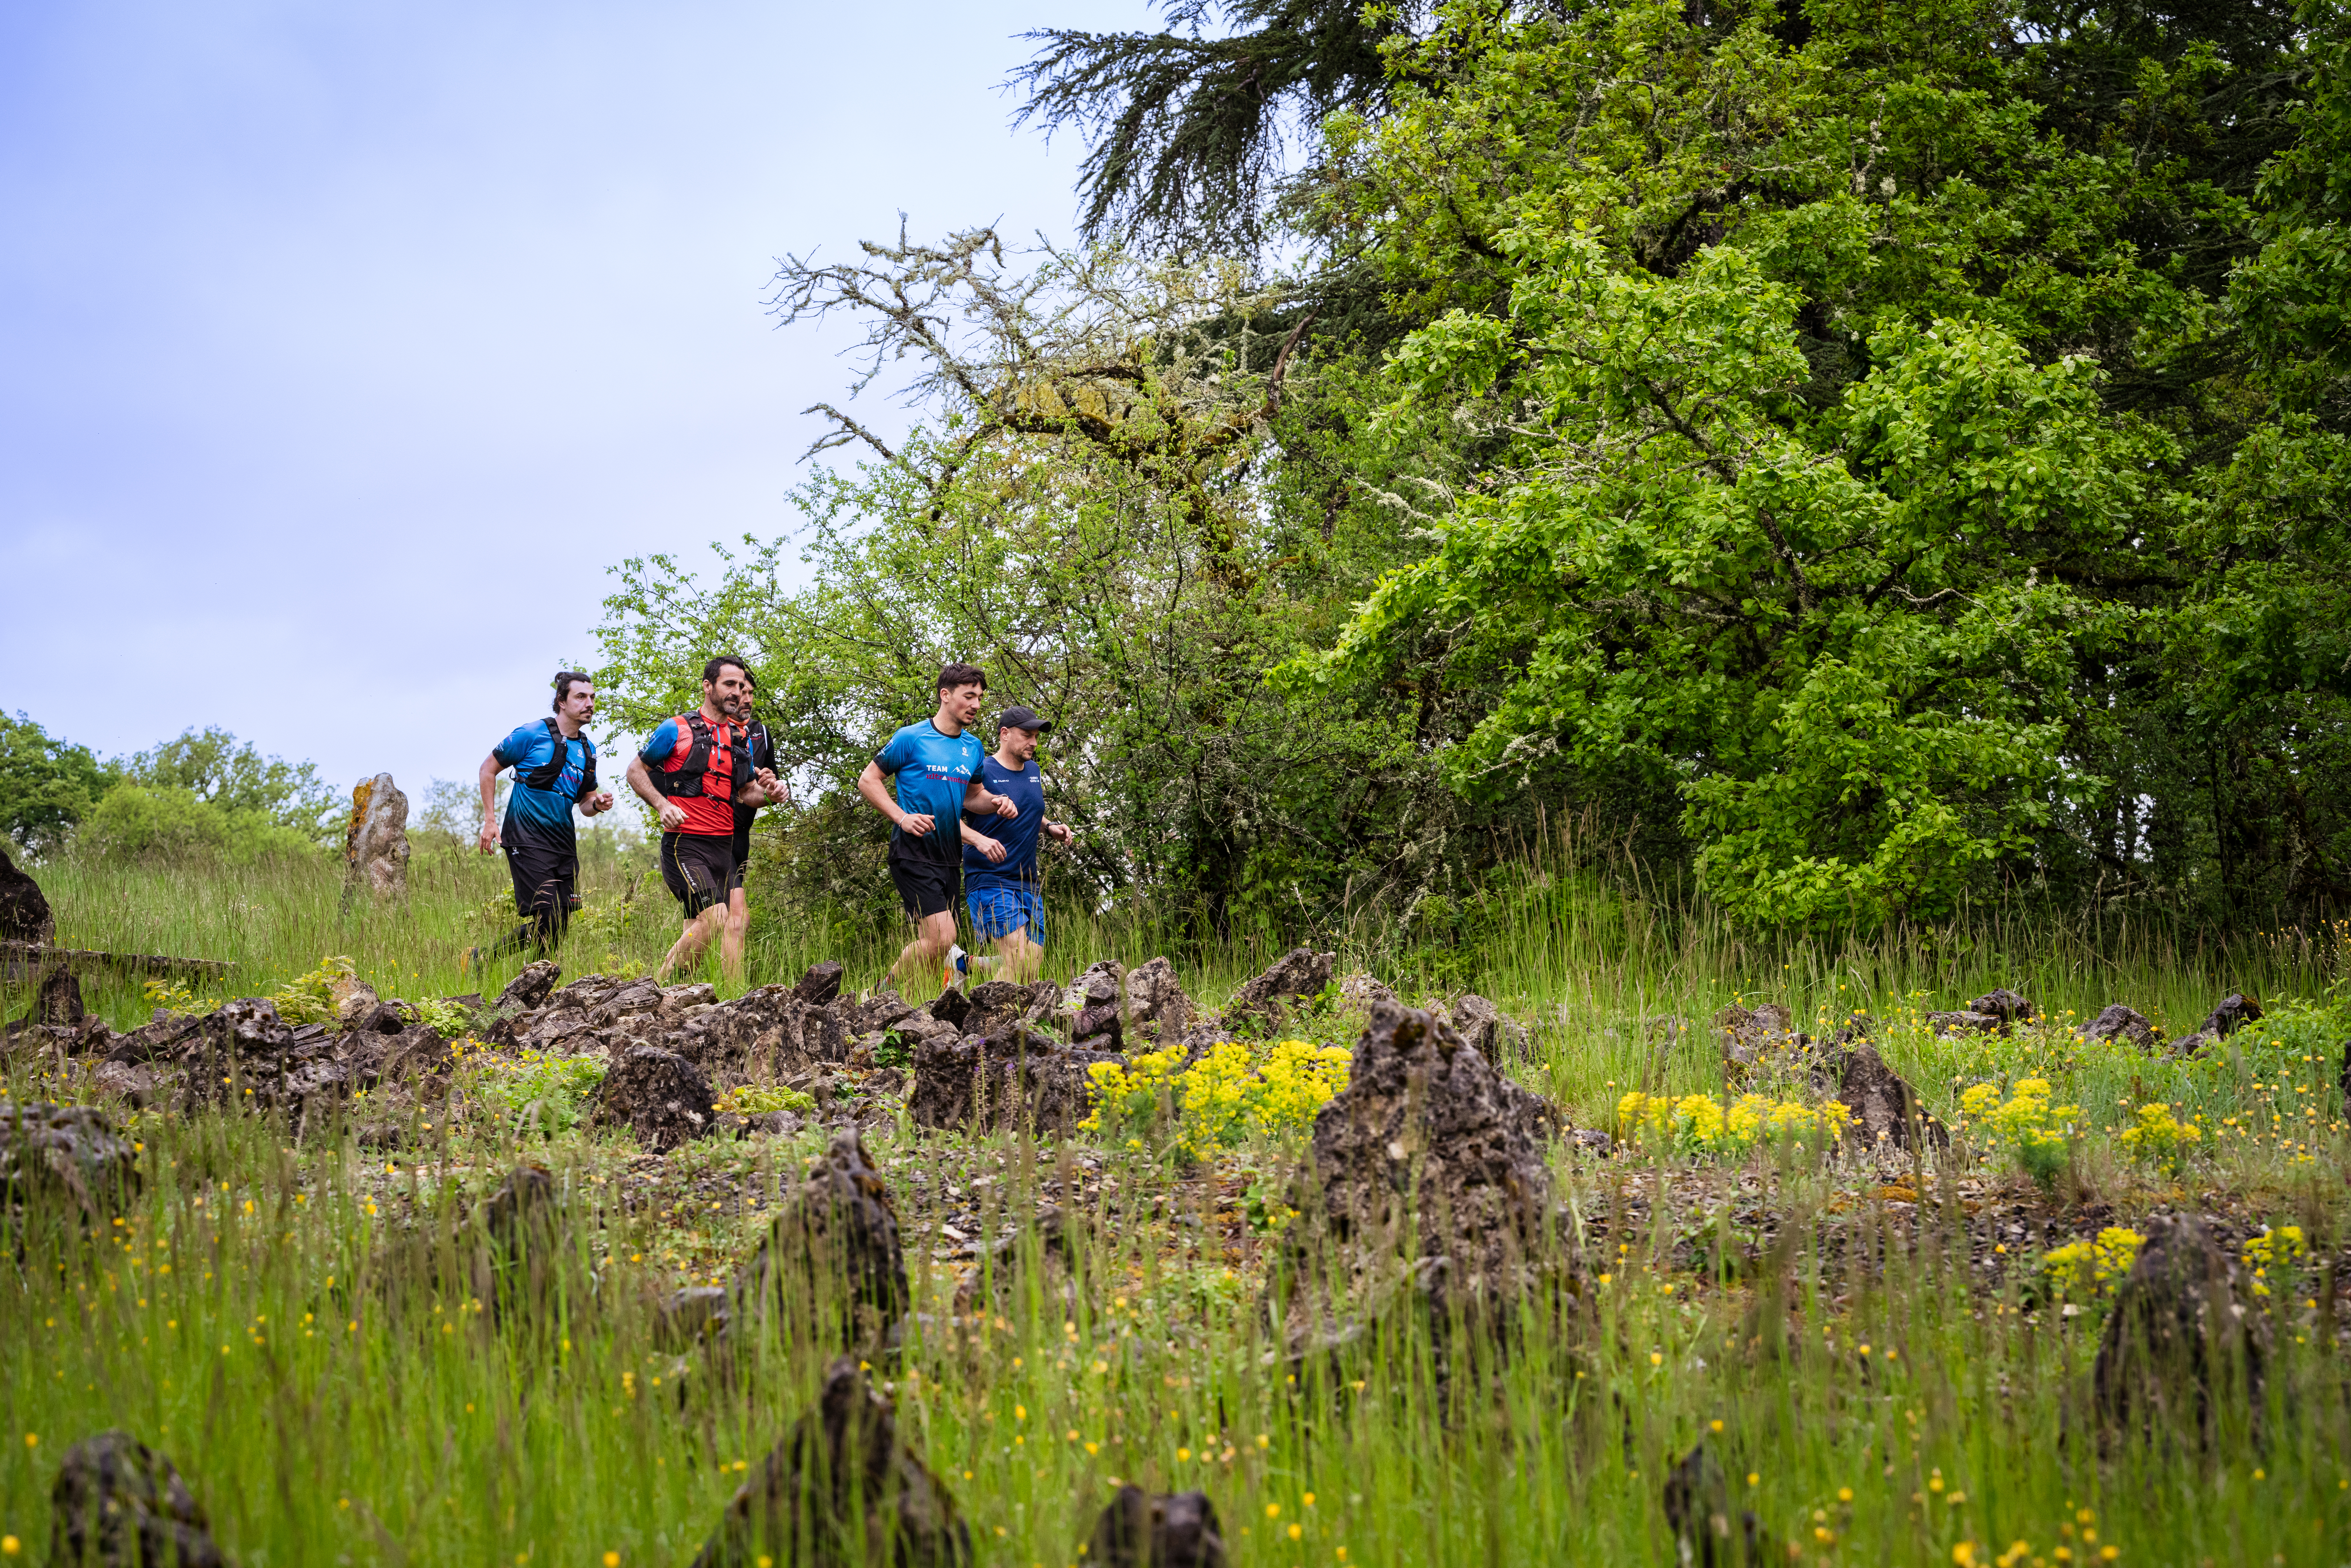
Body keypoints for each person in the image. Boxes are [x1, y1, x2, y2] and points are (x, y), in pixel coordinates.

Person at [856, 662, 1016, 992]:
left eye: (980, 698)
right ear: (945, 695)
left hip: (950, 856)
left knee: (935, 945)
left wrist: (997, 802)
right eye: (969, 696)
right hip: (912, 852)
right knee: (944, 936)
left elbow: (973, 797)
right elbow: (868, 780)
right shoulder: (911, 737)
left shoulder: (973, 747)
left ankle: (900, 1000)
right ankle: (877, 994)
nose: (976, 705)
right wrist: (902, 817)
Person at [624, 656, 783, 983]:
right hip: (686, 844)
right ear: (708, 686)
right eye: (729, 684)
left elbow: (747, 793)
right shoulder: (677, 728)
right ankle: (656, 988)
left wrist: (771, 794)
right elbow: (635, 770)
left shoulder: (739, 739)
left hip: (723, 848)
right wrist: (661, 805)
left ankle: (672, 990)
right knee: (716, 919)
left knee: (705, 926)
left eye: (741, 686)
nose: (737, 692)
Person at [468, 671, 617, 968]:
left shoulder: (587, 750)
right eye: (581, 697)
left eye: (592, 698)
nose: (589, 704)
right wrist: (490, 820)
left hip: (563, 843)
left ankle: (484, 960)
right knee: (548, 911)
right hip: (526, 837)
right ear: (561, 701)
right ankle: (530, 982)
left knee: (559, 922)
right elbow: (488, 769)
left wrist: (598, 805)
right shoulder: (531, 734)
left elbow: (585, 804)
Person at [959, 705, 1074, 983]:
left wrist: (1050, 827)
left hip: (1028, 883)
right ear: (1005, 734)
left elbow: (1028, 810)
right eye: (1027, 735)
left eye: (1036, 737)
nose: (1034, 743)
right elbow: (947, 818)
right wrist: (980, 840)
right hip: (990, 879)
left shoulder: (1033, 770)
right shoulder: (981, 771)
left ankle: (963, 965)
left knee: (1030, 968)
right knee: (1019, 959)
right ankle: (988, 1012)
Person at [725, 668, 788, 958]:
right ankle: (732, 988)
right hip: (712, 833)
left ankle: (671, 984)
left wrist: (769, 783)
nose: (747, 699)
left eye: (751, 693)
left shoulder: (761, 732)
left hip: (741, 834)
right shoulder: (710, 731)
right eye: (742, 693)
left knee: (703, 925)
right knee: (738, 919)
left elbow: (769, 781)